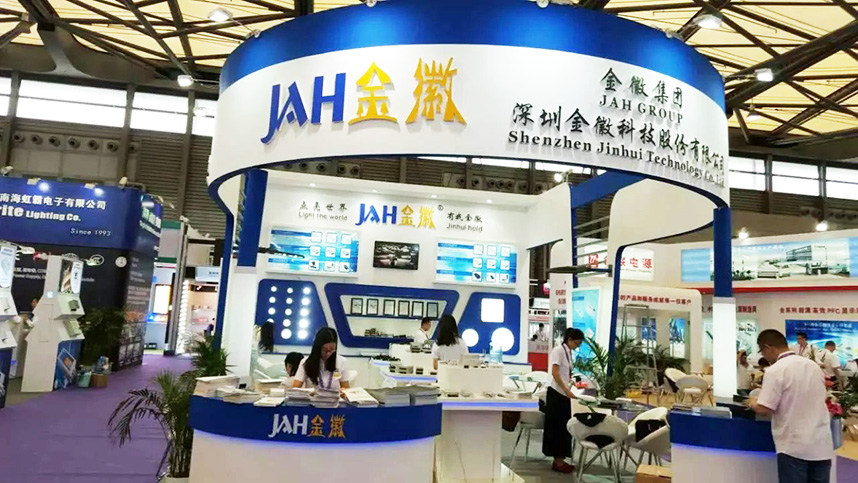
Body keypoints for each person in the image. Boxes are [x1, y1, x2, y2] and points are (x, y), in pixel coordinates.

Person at [750, 329, 833, 483]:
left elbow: (764, 408)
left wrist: (752, 402)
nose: (763, 356)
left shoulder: (775, 370)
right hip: (821, 445)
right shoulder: (813, 366)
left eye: (762, 352)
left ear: (768, 348)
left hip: (793, 447)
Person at [542, 327, 584, 474]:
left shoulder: (568, 352)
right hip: (556, 393)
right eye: (577, 343)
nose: (577, 346)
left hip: (564, 394)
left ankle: (560, 459)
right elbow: (555, 373)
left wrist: (571, 384)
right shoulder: (558, 351)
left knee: (564, 427)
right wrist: (566, 390)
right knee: (556, 427)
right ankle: (557, 461)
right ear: (569, 339)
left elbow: (565, 373)